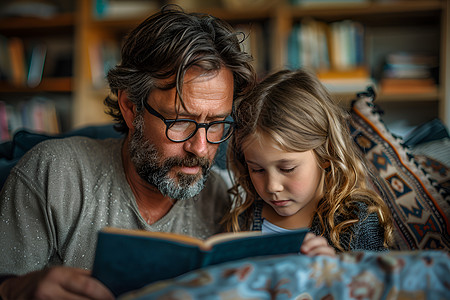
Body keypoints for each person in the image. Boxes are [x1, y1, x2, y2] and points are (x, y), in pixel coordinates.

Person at [0, 6, 256, 299]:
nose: (199, 148)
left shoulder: (221, 197)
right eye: (180, 121)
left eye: (215, 124)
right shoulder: (53, 174)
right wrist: (10, 290)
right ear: (131, 107)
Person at [224, 69, 393, 254]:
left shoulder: (356, 222)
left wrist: (334, 270)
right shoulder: (243, 220)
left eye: (287, 168)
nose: (272, 187)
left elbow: (376, 280)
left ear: (326, 153)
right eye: (257, 170)